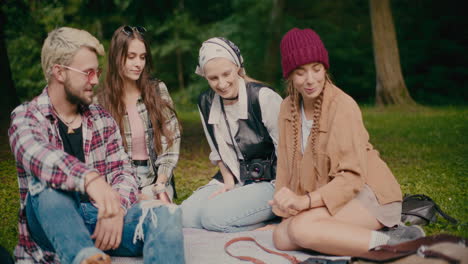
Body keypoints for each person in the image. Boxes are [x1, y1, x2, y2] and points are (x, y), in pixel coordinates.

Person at [8, 27, 185, 264]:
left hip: (101, 219)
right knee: (47, 185)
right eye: (88, 73)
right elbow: (39, 156)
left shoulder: (101, 118)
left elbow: (123, 171)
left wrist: (116, 209)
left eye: (97, 72)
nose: (95, 80)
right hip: (51, 225)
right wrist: (92, 181)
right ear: (59, 72)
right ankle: (85, 256)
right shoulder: (26, 117)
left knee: (164, 213)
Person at [269, 28, 424, 256]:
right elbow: (285, 167)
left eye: (317, 69)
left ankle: (399, 243)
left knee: (302, 229)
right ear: (289, 75)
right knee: (281, 237)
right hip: (327, 196)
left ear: (325, 68)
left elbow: (352, 178)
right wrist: (284, 208)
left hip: (368, 193)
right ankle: (362, 238)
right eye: (300, 72)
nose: (310, 80)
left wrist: (305, 203)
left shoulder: (343, 106)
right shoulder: (286, 108)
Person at [180, 37, 283, 232]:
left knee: (213, 219)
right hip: (234, 177)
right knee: (186, 216)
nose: (222, 84)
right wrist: (228, 182)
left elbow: (288, 152)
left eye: (226, 74)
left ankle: (269, 225)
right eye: (213, 78)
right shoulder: (206, 102)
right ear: (205, 76)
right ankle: (239, 217)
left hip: (272, 181)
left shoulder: (263, 97)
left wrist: (284, 197)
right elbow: (216, 150)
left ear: (237, 67)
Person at [96, 26, 181, 202]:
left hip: (155, 180)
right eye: (131, 57)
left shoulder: (157, 91)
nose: (138, 64)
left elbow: (171, 141)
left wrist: (161, 183)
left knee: (157, 212)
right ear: (116, 57)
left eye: (142, 57)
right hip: (118, 182)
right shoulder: (101, 102)